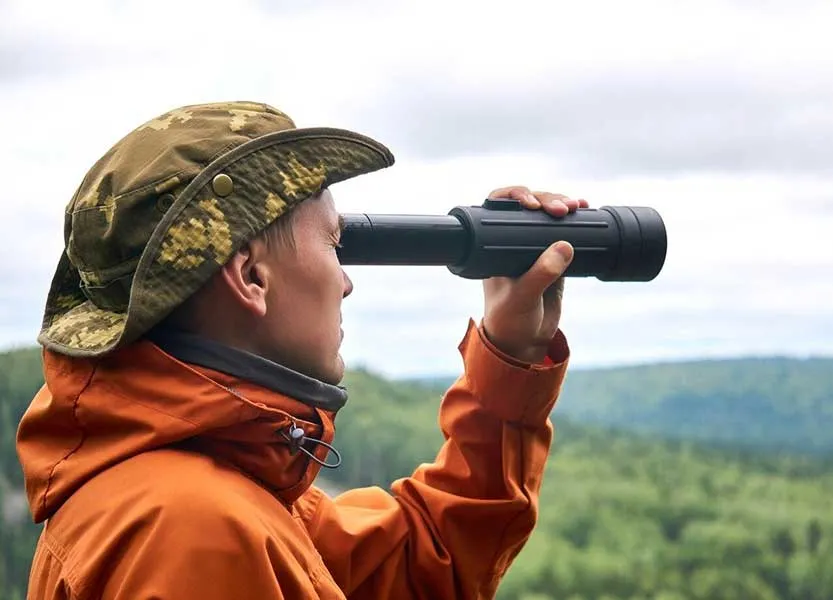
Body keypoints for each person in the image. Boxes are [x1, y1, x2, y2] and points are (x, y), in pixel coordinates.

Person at [16, 101, 585, 599]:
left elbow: (419, 566)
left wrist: (509, 353)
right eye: (334, 243)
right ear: (251, 276)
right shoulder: (194, 531)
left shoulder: (220, 483)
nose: (346, 282)